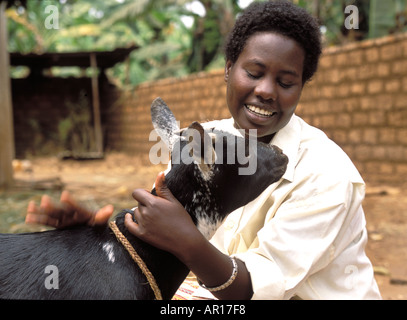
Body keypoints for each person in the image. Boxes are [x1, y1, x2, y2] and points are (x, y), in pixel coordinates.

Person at [26, 1, 381, 299]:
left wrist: (188, 242)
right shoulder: (204, 139)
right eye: (254, 72)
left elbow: (254, 287)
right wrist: (103, 235)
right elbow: (167, 227)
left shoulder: (325, 173)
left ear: (301, 87)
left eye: (286, 82)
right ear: (229, 70)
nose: (267, 91)